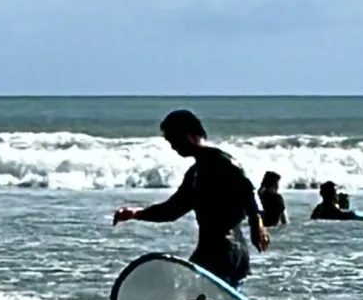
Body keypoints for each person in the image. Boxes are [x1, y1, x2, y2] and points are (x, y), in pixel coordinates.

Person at [113, 109, 269, 286]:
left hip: (223, 251)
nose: (172, 146)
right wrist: (136, 214)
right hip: (215, 251)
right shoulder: (195, 173)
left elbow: (248, 189)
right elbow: (171, 210)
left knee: (194, 298)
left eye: (173, 139)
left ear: (186, 134)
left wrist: (257, 224)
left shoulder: (220, 160)